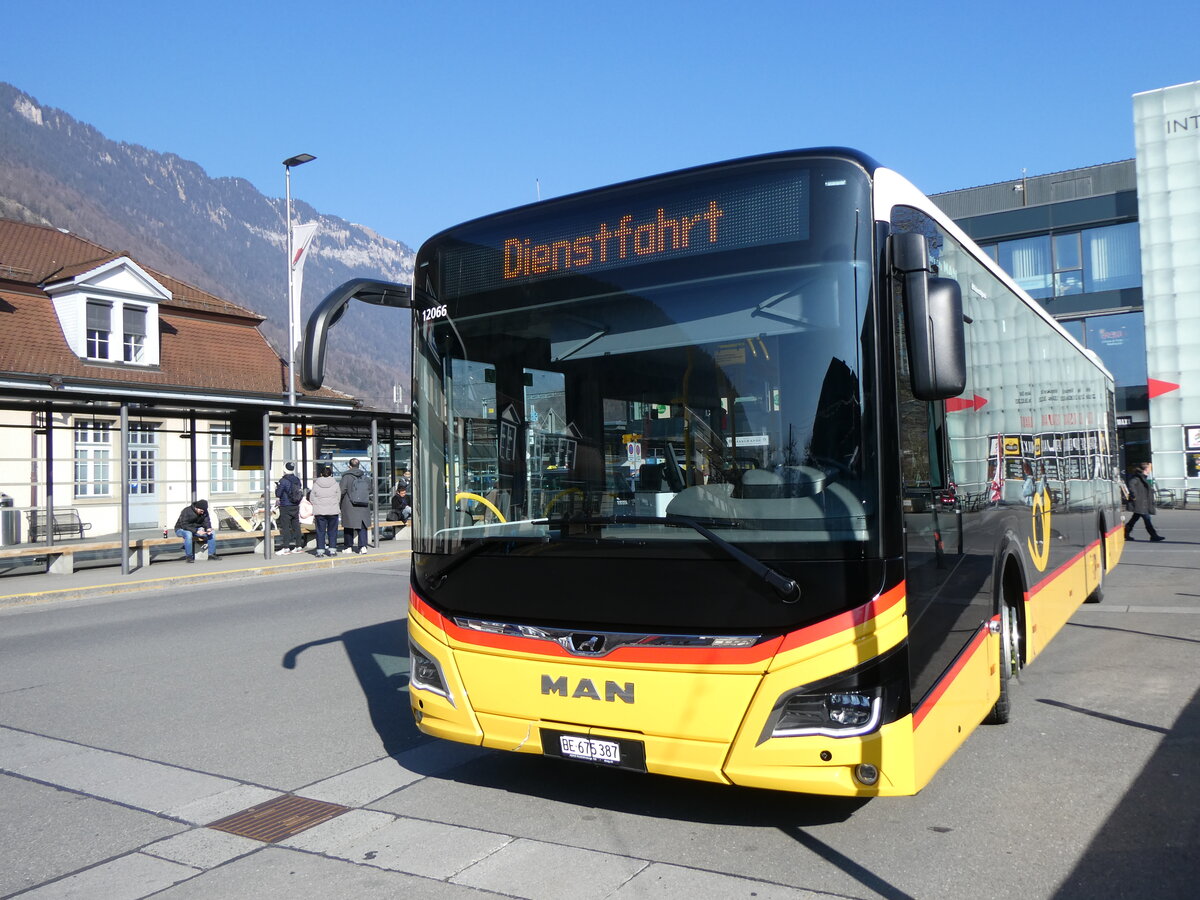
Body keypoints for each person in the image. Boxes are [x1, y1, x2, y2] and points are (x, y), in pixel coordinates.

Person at [1125, 462, 1164, 542]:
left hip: (1142, 503)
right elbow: (1131, 484)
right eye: (1150, 468)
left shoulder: (1142, 477)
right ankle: (1153, 535)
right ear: (1146, 469)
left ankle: (1126, 532)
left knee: (1135, 518)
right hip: (1140, 503)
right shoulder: (1138, 478)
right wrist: (1134, 495)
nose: (1150, 470)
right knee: (1147, 519)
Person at [339, 458, 371, 554]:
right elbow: (370, 489)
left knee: (348, 526)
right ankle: (363, 547)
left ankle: (348, 547)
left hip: (349, 505)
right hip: (363, 505)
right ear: (359, 466)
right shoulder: (365, 477)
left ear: (349, 466)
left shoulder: (346, 477)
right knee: (362, 526)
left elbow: (341, 491)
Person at [309, 464, 340, 557]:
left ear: (321, 474)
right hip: (333, 511)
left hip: (320, 511)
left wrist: (318, 504)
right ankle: (332, 550)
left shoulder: (316, 484)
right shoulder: (335, 484)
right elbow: (338, 497)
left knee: (320, 531)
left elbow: (312, 498)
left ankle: (320, 551)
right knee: (332, 531)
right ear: (331, 474)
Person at [275, 461, 303, 554]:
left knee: (286, 526)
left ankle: (286, 547)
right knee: (296, 526)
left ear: (284, 469)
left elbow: (278, 493)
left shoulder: (283, 481)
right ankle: (298, 546)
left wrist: (276, 489)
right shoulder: (297, 479)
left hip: (285, 505)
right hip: (295, 505)